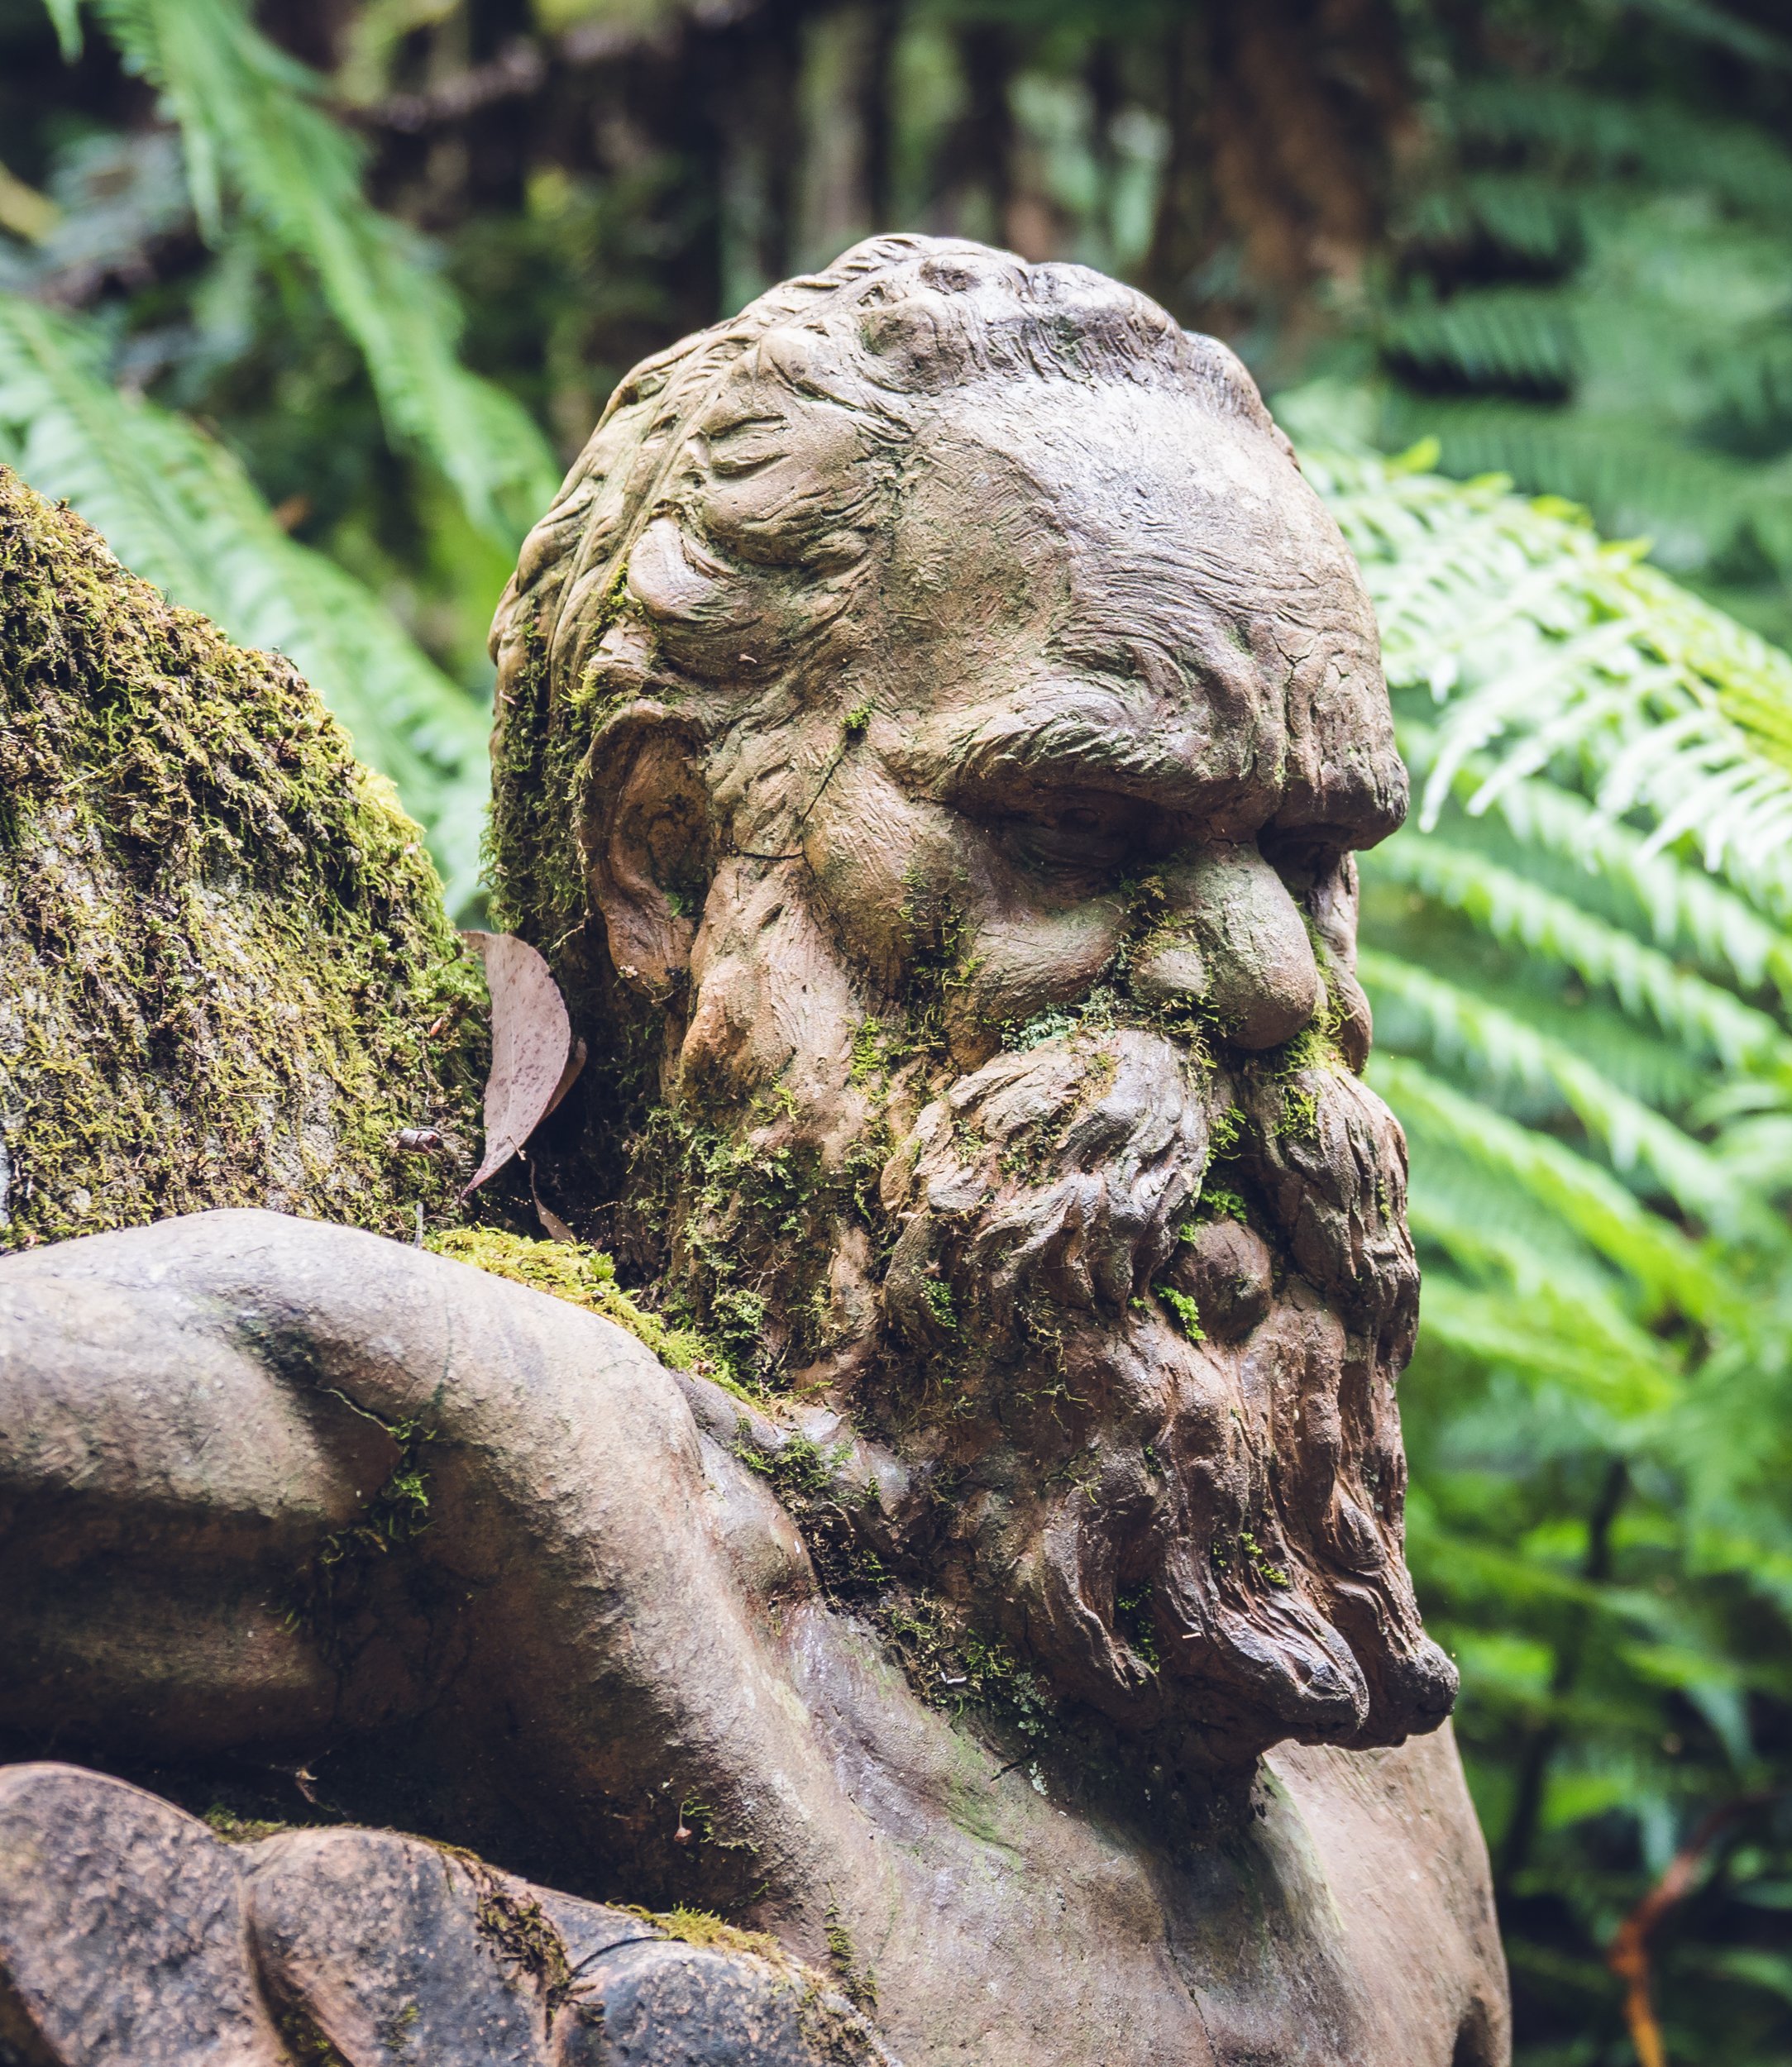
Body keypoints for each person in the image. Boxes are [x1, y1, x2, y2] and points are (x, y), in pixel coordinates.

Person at [0, 237, 1508, 2066]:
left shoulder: (1364, 1734)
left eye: (1314, 859)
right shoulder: (540, 1473)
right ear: (669, 850)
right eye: (1082, 827)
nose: (1274, 985)